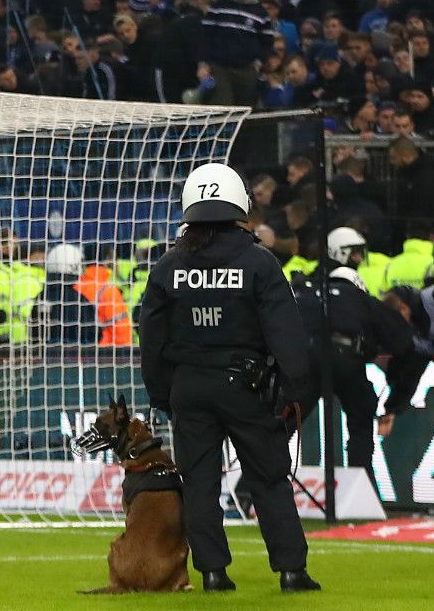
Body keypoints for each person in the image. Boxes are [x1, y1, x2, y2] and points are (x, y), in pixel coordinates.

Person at [138, 163, 320, 593]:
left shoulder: (168, 265)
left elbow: (152, 336)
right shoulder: (258, 261)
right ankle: (291, 571)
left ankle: (213, 574)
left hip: (188, 385)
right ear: (239, 202)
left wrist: (162, 393)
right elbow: (288, 334)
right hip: (247, 386)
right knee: (268, 478)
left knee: (199, 481)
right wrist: (294, 392)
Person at [304, 228, 412, 470]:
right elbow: (402, 340)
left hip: (308, 359)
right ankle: (360, 481)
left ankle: (253, 488)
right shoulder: (359, 298)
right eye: (355, 255)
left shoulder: (308, 293)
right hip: (347, 360)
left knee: (283, 424)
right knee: (362, 420)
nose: (360, 260)